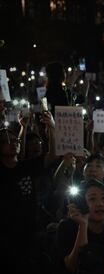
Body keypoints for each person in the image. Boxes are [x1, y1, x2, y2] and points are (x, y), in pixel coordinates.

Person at [0, 110, 57, 273]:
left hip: (29, 231)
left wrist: (52, 128)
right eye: (5, 141)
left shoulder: (26, 167)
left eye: (15, 140)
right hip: (4, 235)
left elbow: (52, 156)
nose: (13, 143)